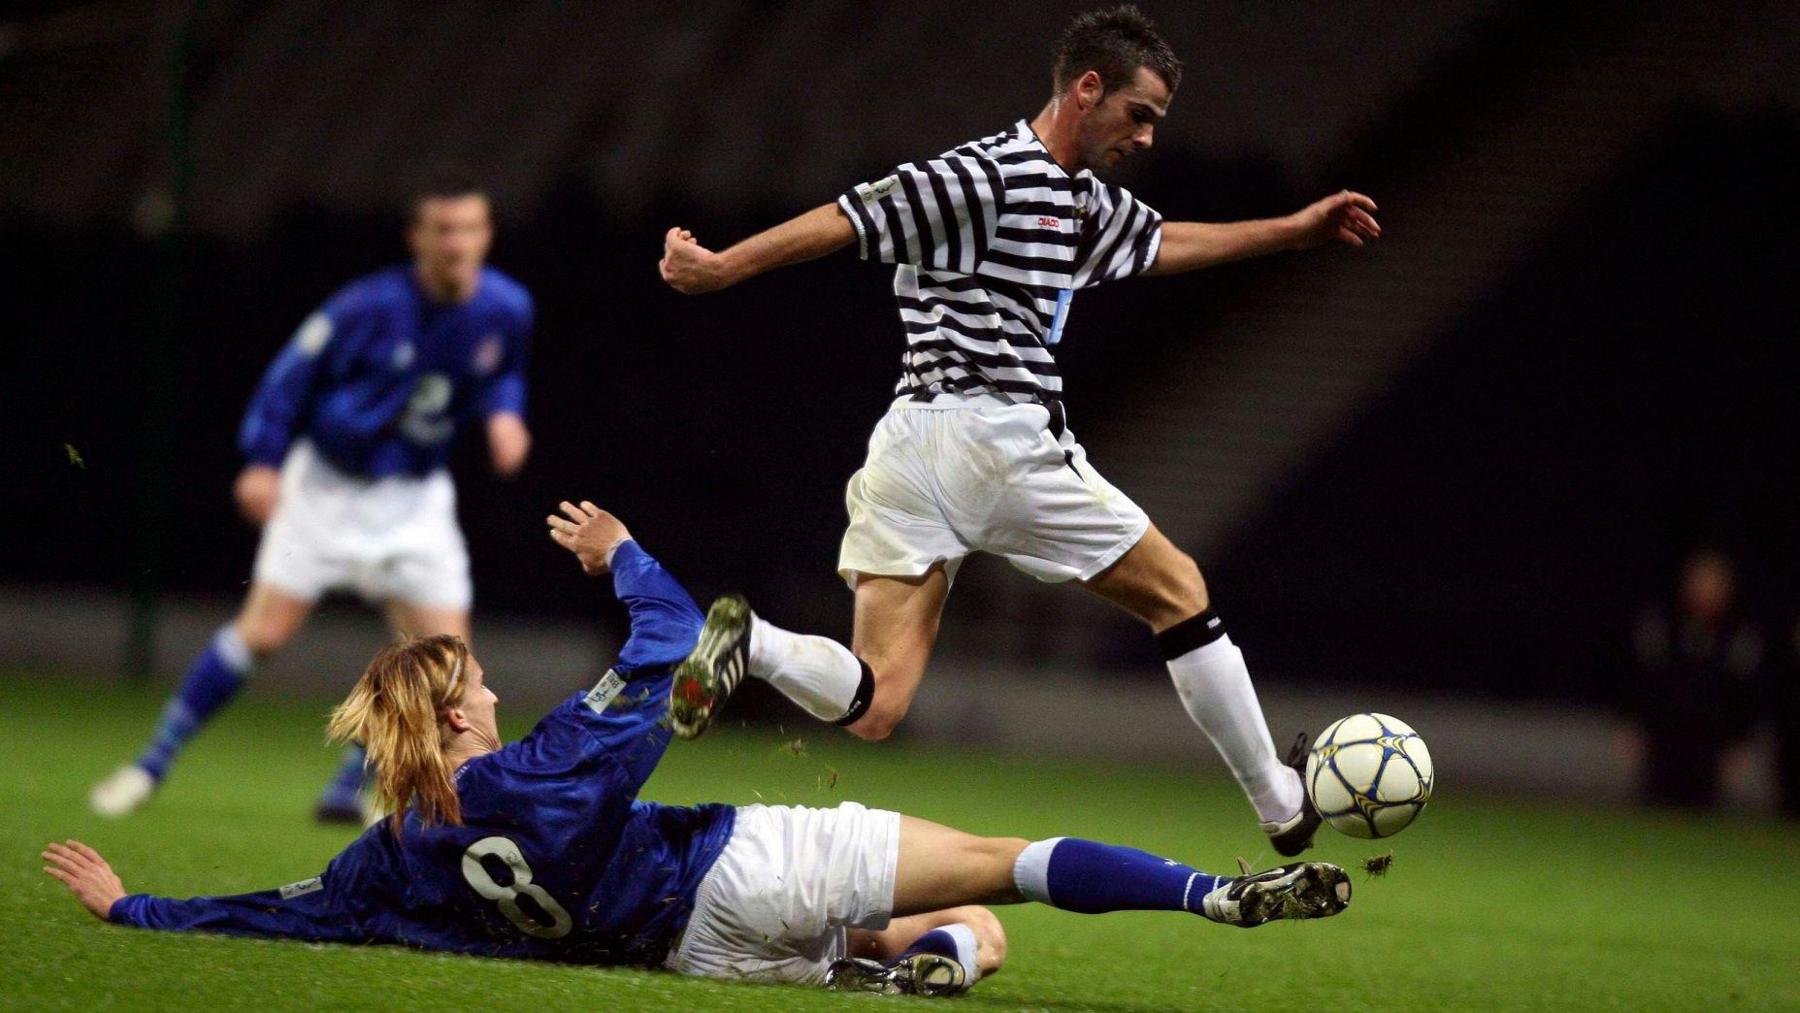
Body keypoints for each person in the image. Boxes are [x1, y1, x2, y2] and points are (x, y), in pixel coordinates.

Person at [45, 502, 1352, 997]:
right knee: (1005, 865)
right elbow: (671, 630)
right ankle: (1214, 891)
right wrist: (623, 556)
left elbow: (278, 914)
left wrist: (136, 906)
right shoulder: (541, 762)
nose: (492, 686)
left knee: (971, 933)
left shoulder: (389, 857)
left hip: (687, 954)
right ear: (454, 715)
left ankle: (903, 971)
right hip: (730, 866)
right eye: (477, 682)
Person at [655, 5, 1379, 856]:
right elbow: (849, 217)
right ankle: (1279, 805)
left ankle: (756, 640)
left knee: (879, 703)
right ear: (1086, 88)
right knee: (1179, 588)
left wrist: (1294, 230)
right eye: (1138, 114)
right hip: (991, 433)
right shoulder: (986, 173)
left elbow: (1165, 242)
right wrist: (722, 266)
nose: (1147, 138)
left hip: (906, 445)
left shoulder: (1082, 200)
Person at [89, 172, 535, 822]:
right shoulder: (366, 306)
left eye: (470, 228)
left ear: (486, 234)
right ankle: (150, 763)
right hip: (326, 487)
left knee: (451, 665)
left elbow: (502, 375)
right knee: (264, 632)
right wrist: (262, 461)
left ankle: (353, 787)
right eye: (443, 229)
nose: (457, 243)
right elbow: (290, 376)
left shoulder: (507, 308)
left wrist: (505, 416)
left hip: (414, 501)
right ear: (419, 238)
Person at [1623, 548, 1764, 808]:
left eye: (1714, 583)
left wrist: (1738, 743)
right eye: (1700, 581)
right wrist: (1635, 727)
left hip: (1709, 746)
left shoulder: (1738, 635)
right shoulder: (1663, 625)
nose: (1706, 591)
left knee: (1702, 810)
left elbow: (1745, 695)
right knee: (1656, 809)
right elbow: (1643, 681)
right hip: (1663, 740)